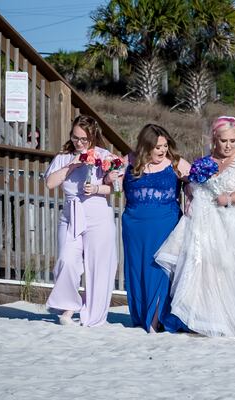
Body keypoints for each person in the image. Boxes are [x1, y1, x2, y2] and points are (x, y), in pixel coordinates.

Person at [155, 116, 235, 338]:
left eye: (233, 141)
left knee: (233, 269)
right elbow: (193, 185)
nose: (229, 145)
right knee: (207, 270)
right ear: (215, 139)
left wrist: (231, 198)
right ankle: (207, 319)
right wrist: (190, 194)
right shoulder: (206, 162)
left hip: (234, 223)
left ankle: (233, 320)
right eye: (224, 141)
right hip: (206, 222)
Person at [112, 124, 191, 333]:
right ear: (145, 146)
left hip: (165, 223)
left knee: (161, 269)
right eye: (157, 147)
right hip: (134, 225)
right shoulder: (129, 161)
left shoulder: (175, 163)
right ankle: (141, 316)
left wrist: (190, 192)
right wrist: (111, 177)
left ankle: (155, 319)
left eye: (165, 146)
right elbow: (111, 180)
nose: (162, 150)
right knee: (138, 270)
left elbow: (194, 181)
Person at [45, 115, 117, 327]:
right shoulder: (64, 157)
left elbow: (115, 189)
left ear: (93, 137)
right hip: (71, 214)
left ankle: (92, 314)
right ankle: (69, 305)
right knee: (66, 259)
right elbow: (50, 184)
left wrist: (99, 186)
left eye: (84, 139)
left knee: (98, 265)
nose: (79, 143)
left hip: (98, 214)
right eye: (76, 138)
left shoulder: (104, 156)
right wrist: (72, 166)